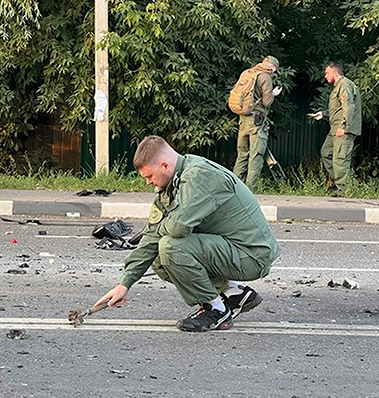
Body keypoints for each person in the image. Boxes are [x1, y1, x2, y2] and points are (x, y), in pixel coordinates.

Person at [94, 136, 280, 332]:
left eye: (149, 176)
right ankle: (232, 293)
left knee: (170, 246)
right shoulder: (174, 182)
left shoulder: (199, 176)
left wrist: (159, 230)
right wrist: (125, 284)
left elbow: (177, 228)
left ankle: (216, 310)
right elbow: (151, 236)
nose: (148, 182)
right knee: (158, 252)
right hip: (231, 249)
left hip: (251, 255)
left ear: (164, 165)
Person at [311, 62, 362, 197]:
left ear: (335, 73)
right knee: (326, 152)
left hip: (342, 129)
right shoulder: (338, 86)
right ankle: (337, 182)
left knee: (340, 158)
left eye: (327, 73)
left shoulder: (344, 85)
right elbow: (338, 108)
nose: (325, 76)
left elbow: (349, 107)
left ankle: (343, 191)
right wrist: (323, 114)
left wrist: (343, 127)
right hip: (334, 128)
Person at [232, 56, 283, 188]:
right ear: (272, 67)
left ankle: (235, 187)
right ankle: (250, 188)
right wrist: (273, 94)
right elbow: (267, 102)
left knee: (242, 154)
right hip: (257, 120)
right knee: (256, 154)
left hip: (243, 118)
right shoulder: (265, 77)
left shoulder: (247, 73)